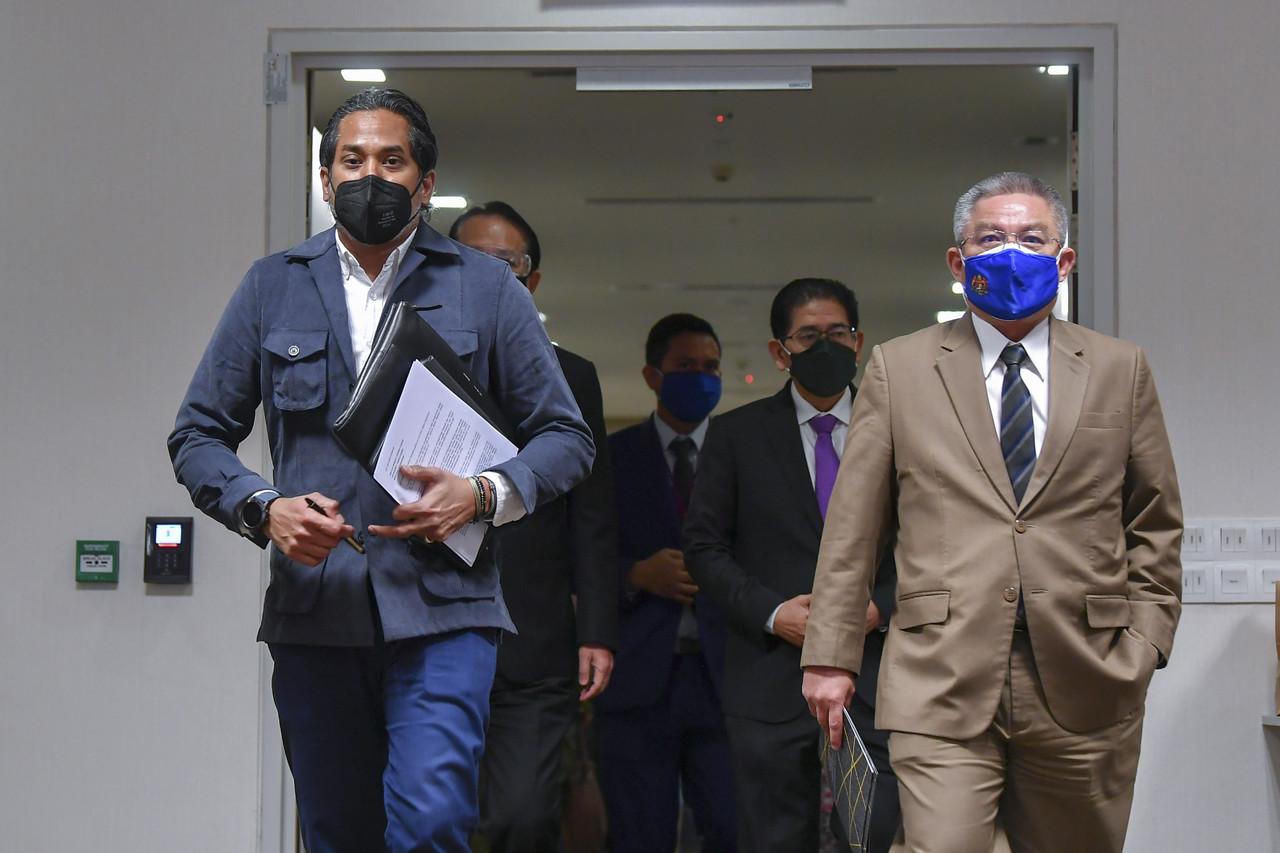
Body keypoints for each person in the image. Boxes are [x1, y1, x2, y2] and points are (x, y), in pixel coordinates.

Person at [167, 88, 594, 853]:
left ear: (424, 184)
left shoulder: (484, 287)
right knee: (338, 831)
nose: (371, 176)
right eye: (352, 159)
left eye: (391, 161)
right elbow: (197, 434)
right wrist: (265, 507)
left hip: (446, 609)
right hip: (316, 609)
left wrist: (484, 493)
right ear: (325, 179)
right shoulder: (273, 285)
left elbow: (565, 436)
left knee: (432, 820)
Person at [801, 171, 1183, 853]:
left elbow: (1154, 519)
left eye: (1032, 239)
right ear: (959, 261)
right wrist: (830, 655)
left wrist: (1145, 639)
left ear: (1063, 261)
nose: (1011, 251)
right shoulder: (899, 368)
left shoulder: (1119, 369)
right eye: (991, 238)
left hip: (1089, 672)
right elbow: (853, 529)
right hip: (940, 671)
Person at [684, 278, 899, 853]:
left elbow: (932, 541)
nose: (825, 346)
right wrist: (774, 613)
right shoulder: (736, 435)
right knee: (774, 837)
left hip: (880, 671)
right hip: (768, 676)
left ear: (858, 342)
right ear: (780, 352)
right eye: (808, 336)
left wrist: (880, 606)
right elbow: (703, 547)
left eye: (837, 333)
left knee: (875, 833)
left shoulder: (899, 429)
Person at [449, 201, 618, 853]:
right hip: (427, 629)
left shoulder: (571, 376)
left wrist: (595, 629)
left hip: (535, 636)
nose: (486, 276)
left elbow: (592, 514)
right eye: (468, 260)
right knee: (433, 814)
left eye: (505, 263)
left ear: (532, 279)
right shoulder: (406, 362)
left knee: (522, 815)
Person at [595, 314, 736, 853]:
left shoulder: (742, 455)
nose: (701, 377)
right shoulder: (611, 459)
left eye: (711, 367)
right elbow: (579, 557)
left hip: (725, 679)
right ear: (653, 376)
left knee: (732, 829)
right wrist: (635, 574)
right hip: (636, 677)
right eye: (685, 366)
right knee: (639, 835)